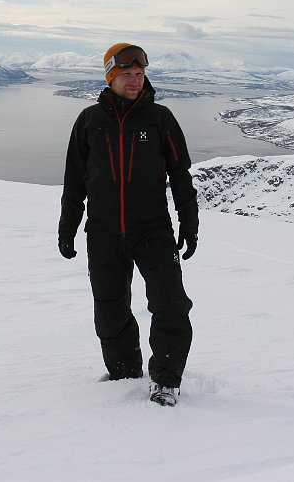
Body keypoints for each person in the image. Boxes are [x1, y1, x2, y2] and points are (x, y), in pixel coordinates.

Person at [58, 42, 199, 407]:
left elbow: (181, 175)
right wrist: (67, 226)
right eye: (126, 74)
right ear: (111, 77)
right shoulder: (89, 121)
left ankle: (165, 380)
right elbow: (74, 180)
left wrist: (189, 222)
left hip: (152, 230)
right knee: (109, 310)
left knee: (170, 304)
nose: (135, 80)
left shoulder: (160, 119)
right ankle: (123, 374)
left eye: (140, 74)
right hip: (103, 233)